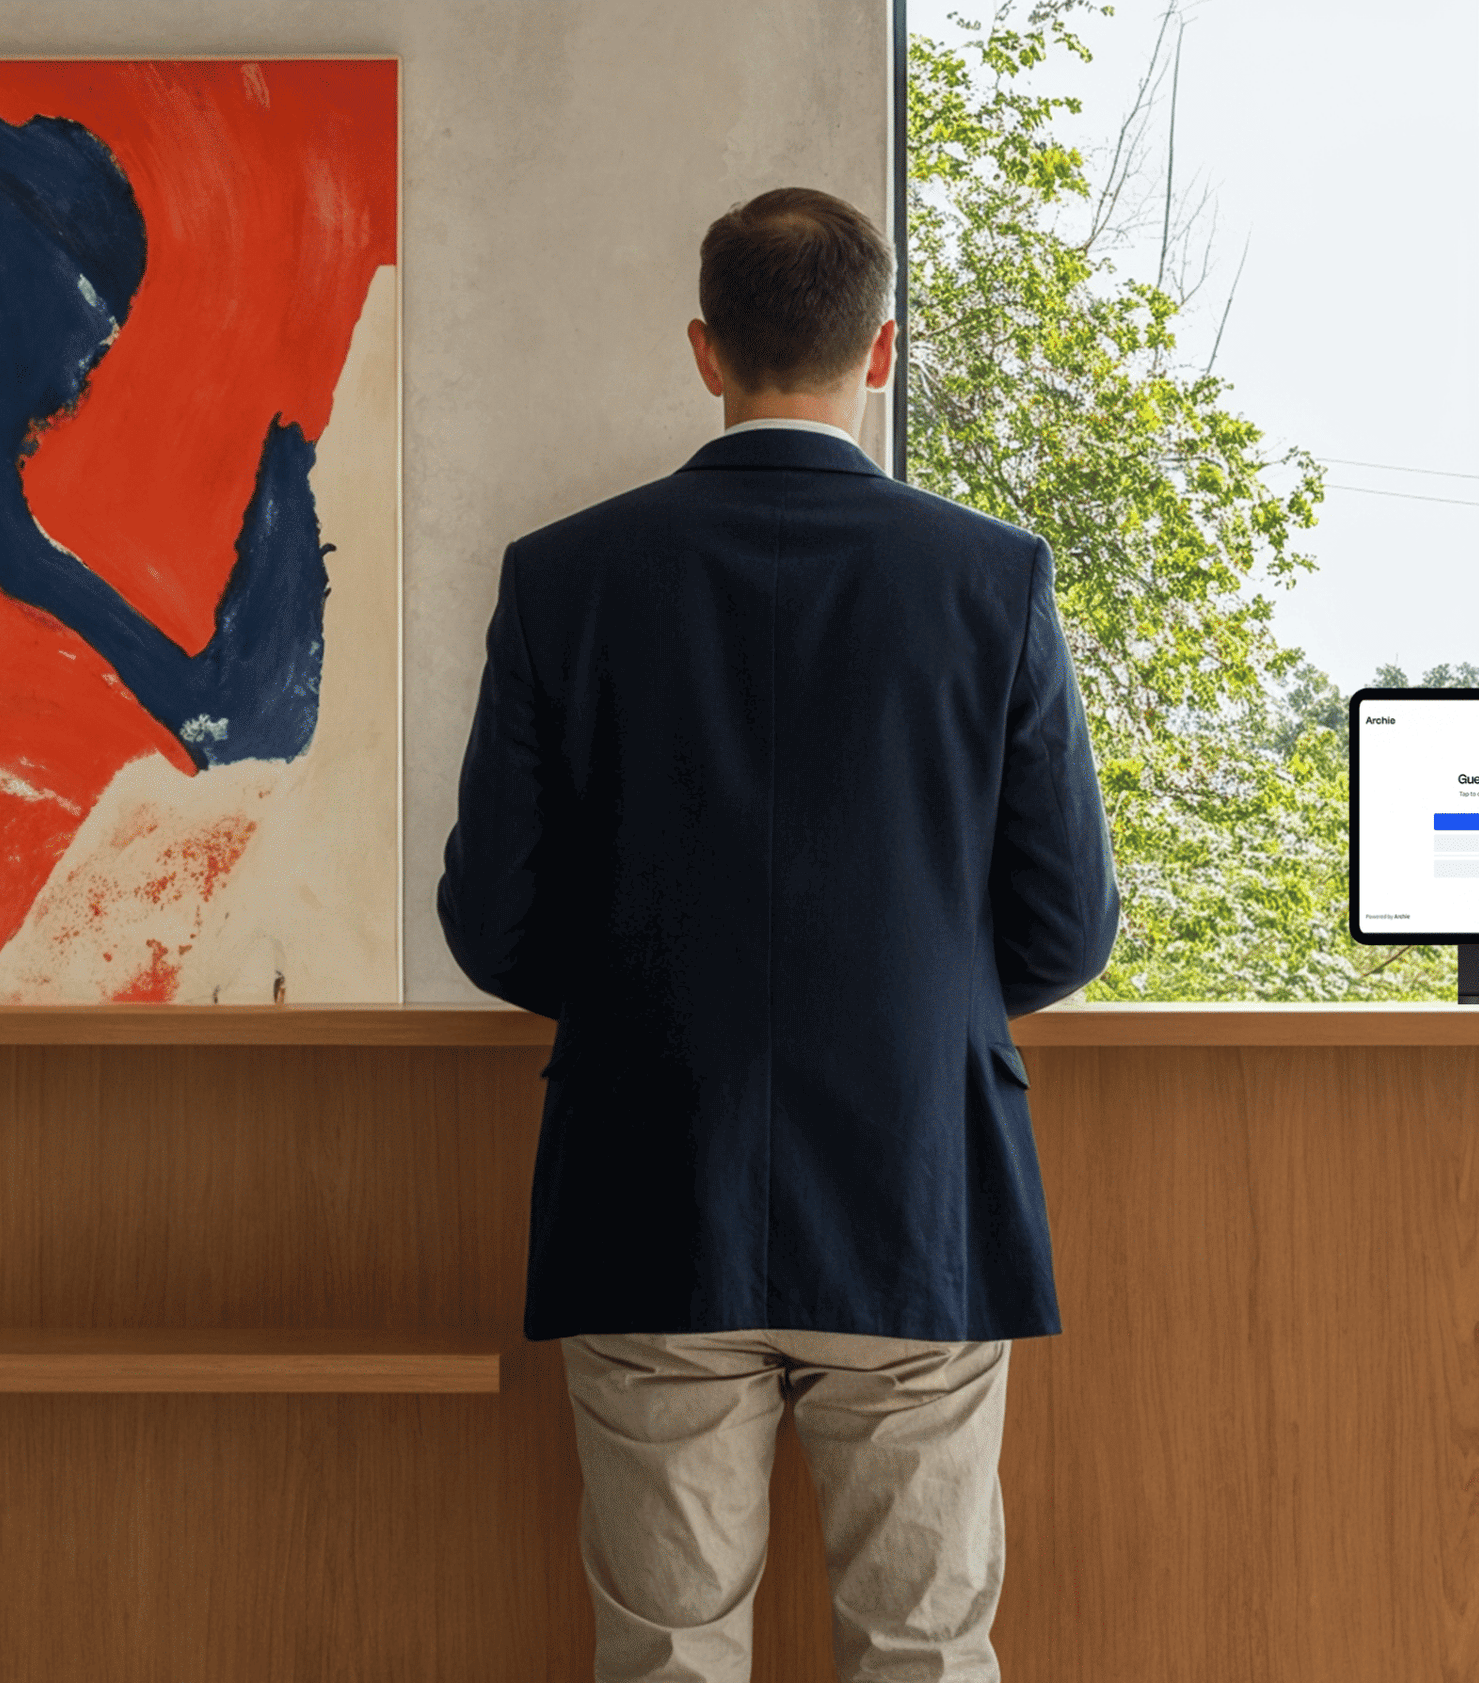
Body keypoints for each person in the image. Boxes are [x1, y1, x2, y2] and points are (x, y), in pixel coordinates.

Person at [436, 185, 1117, 1683]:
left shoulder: (565, 576)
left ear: (705, 349)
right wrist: (917, 995)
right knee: (925, 1654)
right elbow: (1069, 922)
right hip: (916, 1198)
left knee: (668, 1652)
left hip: (648, 1187)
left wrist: (637, 993)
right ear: (881, 354)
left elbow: (493, 922)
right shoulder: (990, 578)